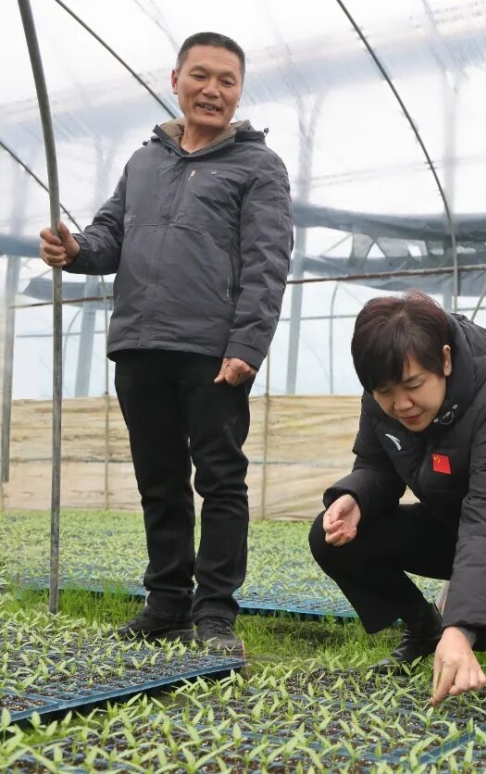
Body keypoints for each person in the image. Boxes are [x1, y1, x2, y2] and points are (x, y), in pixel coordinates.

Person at [38, 32, 293, 653]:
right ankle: (167, 603)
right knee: (159, 480)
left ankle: (215, 613)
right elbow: (108, 236)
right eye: (200, 75)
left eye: (226, 80)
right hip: (139, 344)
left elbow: (267, 262)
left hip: (212, 351)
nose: (212, 90)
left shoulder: (258, 167)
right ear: (175, 80)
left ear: (239, 94)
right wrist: (75, 250)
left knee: (220, 480)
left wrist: (248, 345)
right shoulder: (143, 161)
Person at [309, 291, 486, 705]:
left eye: (414, 385)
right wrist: (356, 497)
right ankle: (423, 627)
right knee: (327, 535)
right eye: (384, 391)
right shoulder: (381, 400)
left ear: (446, 360)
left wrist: (462, 628)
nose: (401, 404)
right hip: (450, 519)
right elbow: (377, 465)